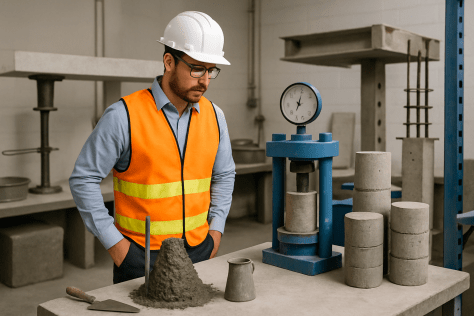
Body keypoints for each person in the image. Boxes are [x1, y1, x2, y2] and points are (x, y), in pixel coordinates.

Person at [69, 11, 235, 284]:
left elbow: (224, 174)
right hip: (141, 257)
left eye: (211, 71)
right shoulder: (124, 115)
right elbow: (83, 179)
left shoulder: (215, 117)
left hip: (200, 251)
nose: (204, 80)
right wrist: (118, 247)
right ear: (169, 61)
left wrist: (215, 232)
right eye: (196, 69)